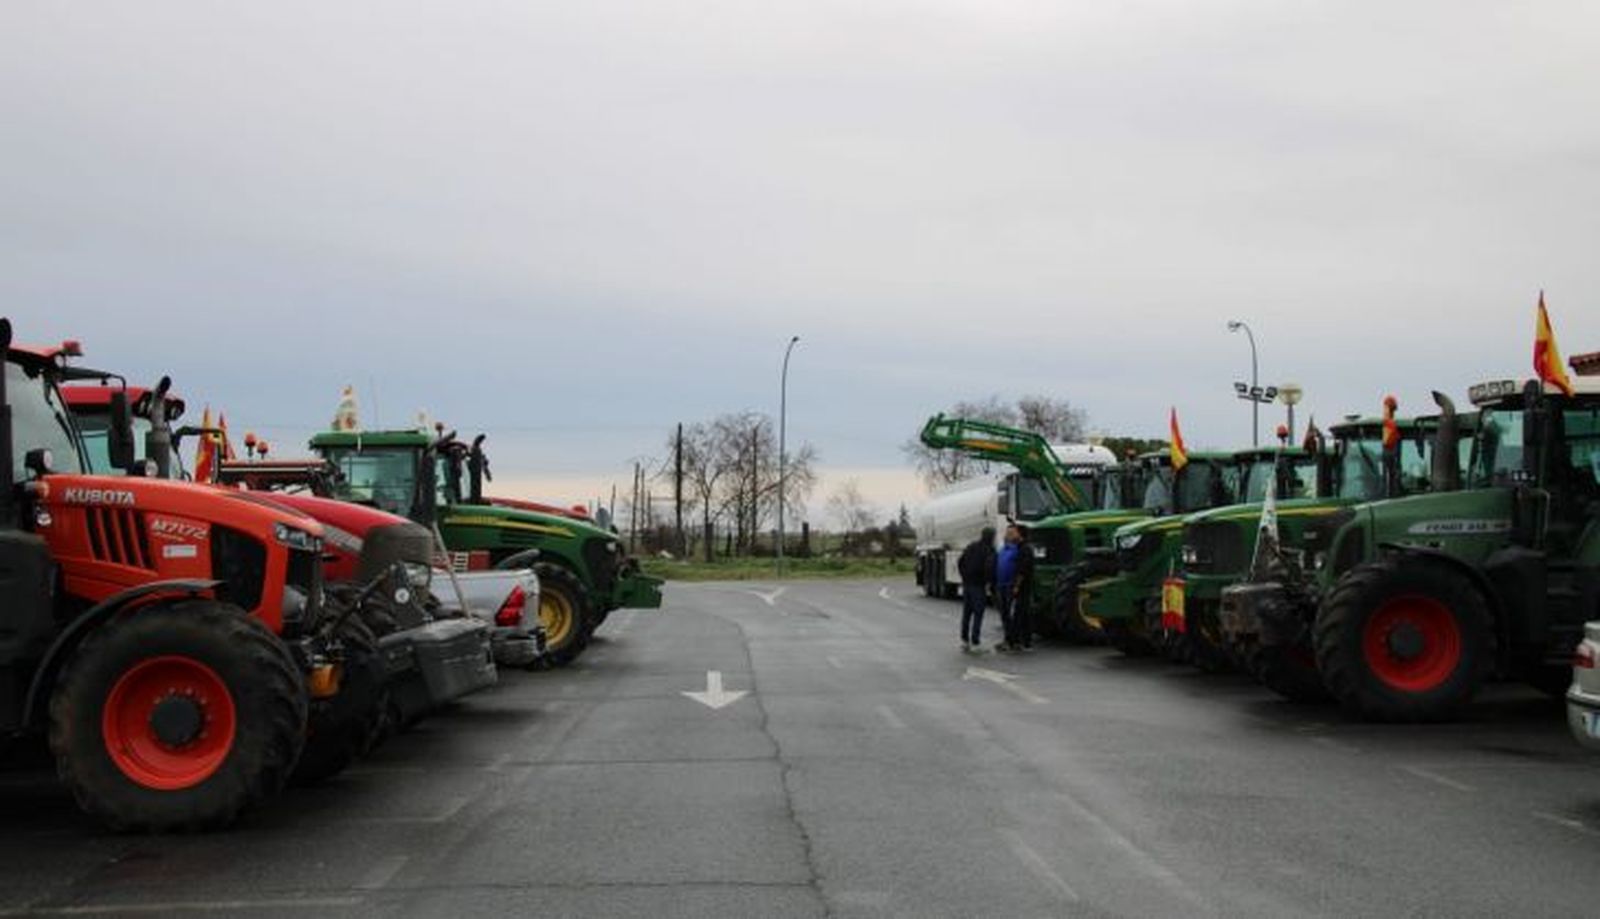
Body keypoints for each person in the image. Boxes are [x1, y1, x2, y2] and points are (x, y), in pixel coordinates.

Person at [996, 523, 1037, 652]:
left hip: (1021, 588)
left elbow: (1022, 570)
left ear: (1020, 534)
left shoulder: (1024, 549)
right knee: (1021, 615)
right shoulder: (1017, 548)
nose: (1010, 535)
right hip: (1010, 586)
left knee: (1017, 615)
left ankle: (1015, 642)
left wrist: (1016, 586)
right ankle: (1022, 642)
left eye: (1013, 533)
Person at [957, 527, 997, 651]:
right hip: (979, 585)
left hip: (967, 584)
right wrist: (990, 583)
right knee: (978, 614)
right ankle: (975, 641)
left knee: (967, 614)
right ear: (991, 537)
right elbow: (989, 568)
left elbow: (960, 561)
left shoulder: (971, 546)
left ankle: (964, 640)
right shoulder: (990, 550)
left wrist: (964, 577)